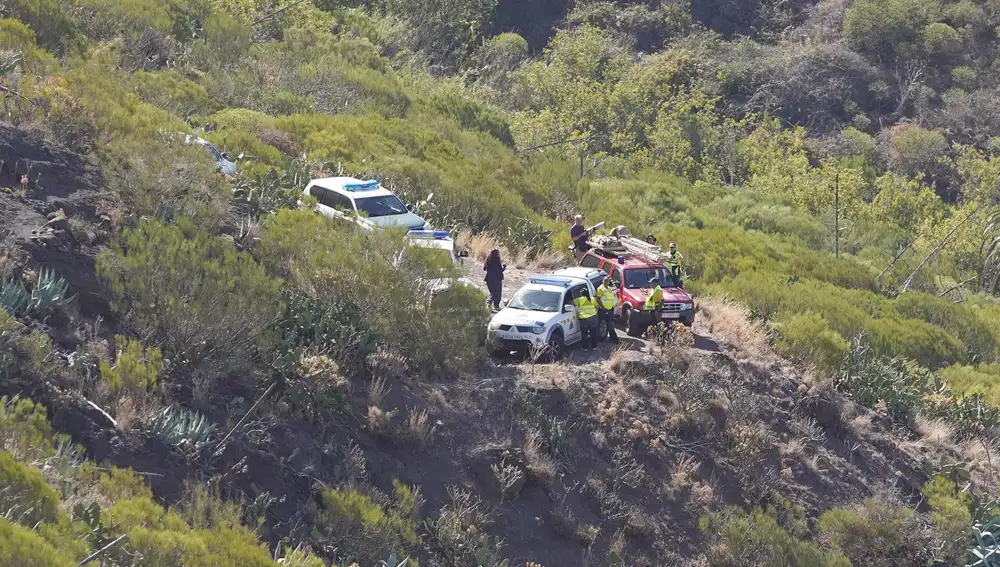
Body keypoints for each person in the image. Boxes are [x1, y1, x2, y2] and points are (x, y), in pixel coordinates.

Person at [596, 277, 619, 343]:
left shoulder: (609, 288)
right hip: (604, 309)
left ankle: (612, 337)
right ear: (602, 281)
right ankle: (614, 338)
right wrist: (603, 307)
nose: (606, 282)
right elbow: (598, 299)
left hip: (610, 309)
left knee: (609, 323)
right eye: (605, 281)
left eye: (607, 281)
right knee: (608, 323)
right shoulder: (601, 289)